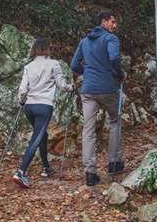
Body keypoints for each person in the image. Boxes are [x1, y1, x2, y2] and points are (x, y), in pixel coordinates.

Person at [70, 11, 126, 186]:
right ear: (104, 22)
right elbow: (114, 58)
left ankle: (90, 172)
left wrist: (87, 72)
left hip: (88, 90)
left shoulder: (84, 41)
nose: (114, 25)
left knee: (88, 129)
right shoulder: (111, 39)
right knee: (115, 121)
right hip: (108, 88)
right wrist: (119, 74)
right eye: (113, 21)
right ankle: (114, 162)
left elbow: (73, 65)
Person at [13, 37, 74, 189]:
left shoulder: (29, 66)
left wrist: (21, 101)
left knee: (42, 135)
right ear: (47, 49)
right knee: (36, 137)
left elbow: (22, 90)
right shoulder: (54, 64)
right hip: (44, 106)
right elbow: (61, 85)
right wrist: (70, 87)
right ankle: (21, 171)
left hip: (29, 107)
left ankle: (46, 168)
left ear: (34, 49)